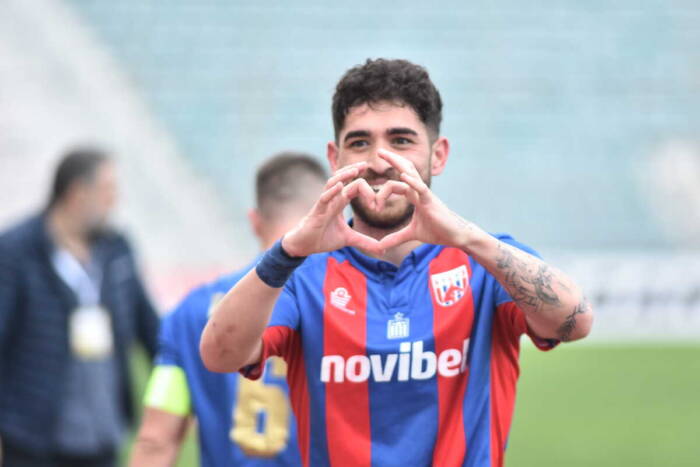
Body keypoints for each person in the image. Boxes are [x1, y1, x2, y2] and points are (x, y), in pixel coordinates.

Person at [201, 59, 594, 467]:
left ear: (438, 155)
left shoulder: (483, 263)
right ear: (335, 158)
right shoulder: (301, 275)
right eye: (359, 143)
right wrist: (286, 252)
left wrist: (466, 237)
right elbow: (219, 355)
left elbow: (575, 321)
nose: (380, 160)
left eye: (401, 140)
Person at [130, 152, 327, 467]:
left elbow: (156, 440)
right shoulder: (339, 302)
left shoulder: (190, 312)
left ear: (254, 222)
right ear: (327, 219)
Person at [0, 147, 160, 467]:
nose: (114, 200)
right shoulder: (17, 250)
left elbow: (151, 330)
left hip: (102, 437)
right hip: (32, 440)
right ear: (77, 193)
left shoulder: (117, 249)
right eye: (107, 189)